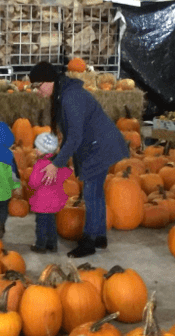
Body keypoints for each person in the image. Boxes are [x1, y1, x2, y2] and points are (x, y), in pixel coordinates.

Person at [28, 61, 129, 258]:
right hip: (96, 144)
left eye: (37, 86)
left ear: (49, 81)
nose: (37, 92)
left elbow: (75, 136)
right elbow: (71, 135)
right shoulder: (63, 94)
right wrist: (58, 154)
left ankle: (89, 241)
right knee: (96, 192)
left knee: (91, 193)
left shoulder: (70, 97)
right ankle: (100, 236)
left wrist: (56, 164)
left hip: (99, 146)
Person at [28, 132, 73, 253]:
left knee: (41, 225)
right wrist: (70, 168)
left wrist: (31, 184)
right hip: (54, 202)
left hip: (42, 202)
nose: (35, 150)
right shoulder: (57, 165)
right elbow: (66, 174)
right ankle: (52, 245)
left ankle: (40, 245)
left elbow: (33, 182)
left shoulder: (40, 165)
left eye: (38, 148)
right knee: (51, 224)